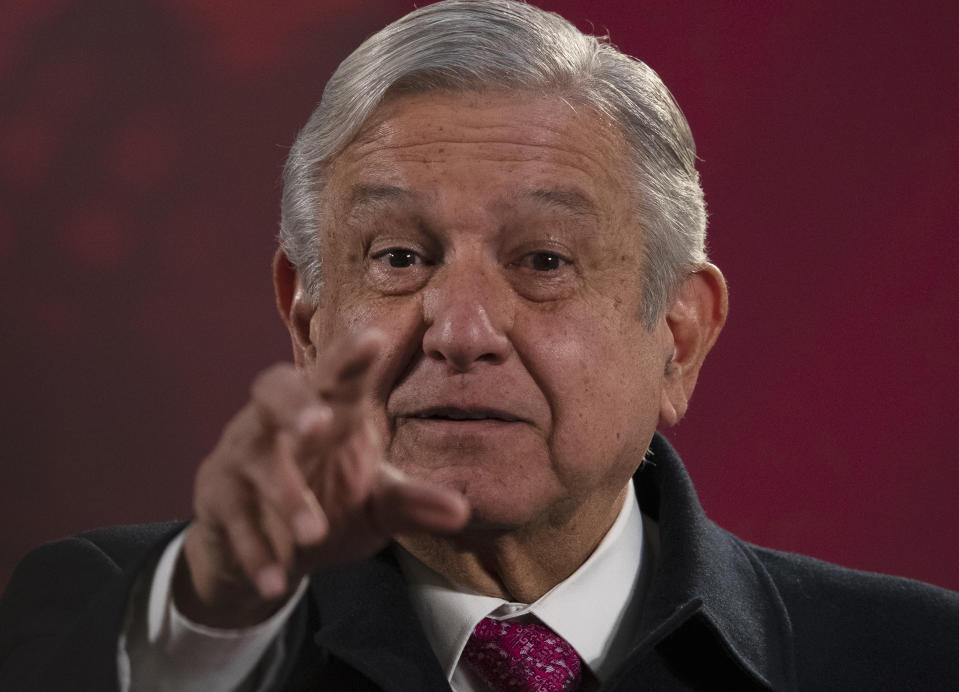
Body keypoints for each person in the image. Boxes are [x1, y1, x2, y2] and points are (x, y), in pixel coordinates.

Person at [1, 1, 958, 690]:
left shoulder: (914, 658)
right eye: (398, 257)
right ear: (306, 318)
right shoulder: (127, 621)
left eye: (542, 259)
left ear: (678, 336)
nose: (459, 330)